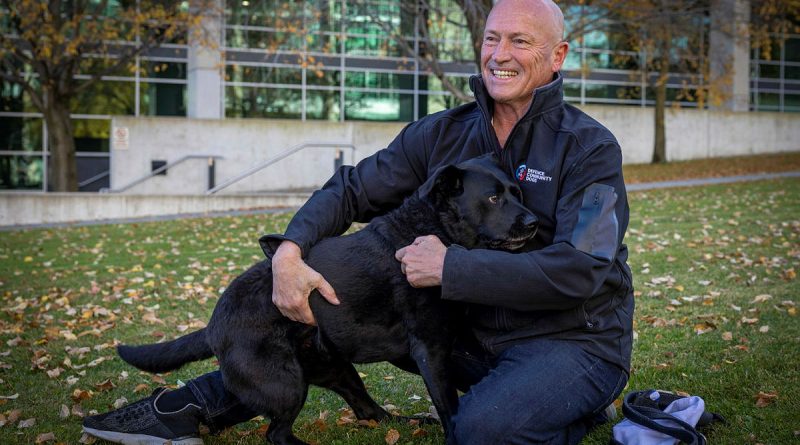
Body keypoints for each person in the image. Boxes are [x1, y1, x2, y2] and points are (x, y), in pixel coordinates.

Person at [83, 0, 634, 443]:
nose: (499, 54)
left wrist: (452, 268)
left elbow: (582, 269)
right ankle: (201, 401)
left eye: (520, 41)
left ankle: (585, 407)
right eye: (492, 38)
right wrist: (291, 251)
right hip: (471, 339)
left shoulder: (589, 150)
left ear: (557, 55)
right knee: (328, 311)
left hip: (572, 340)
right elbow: (351, 189)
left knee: (483, 432)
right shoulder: (444, 134)